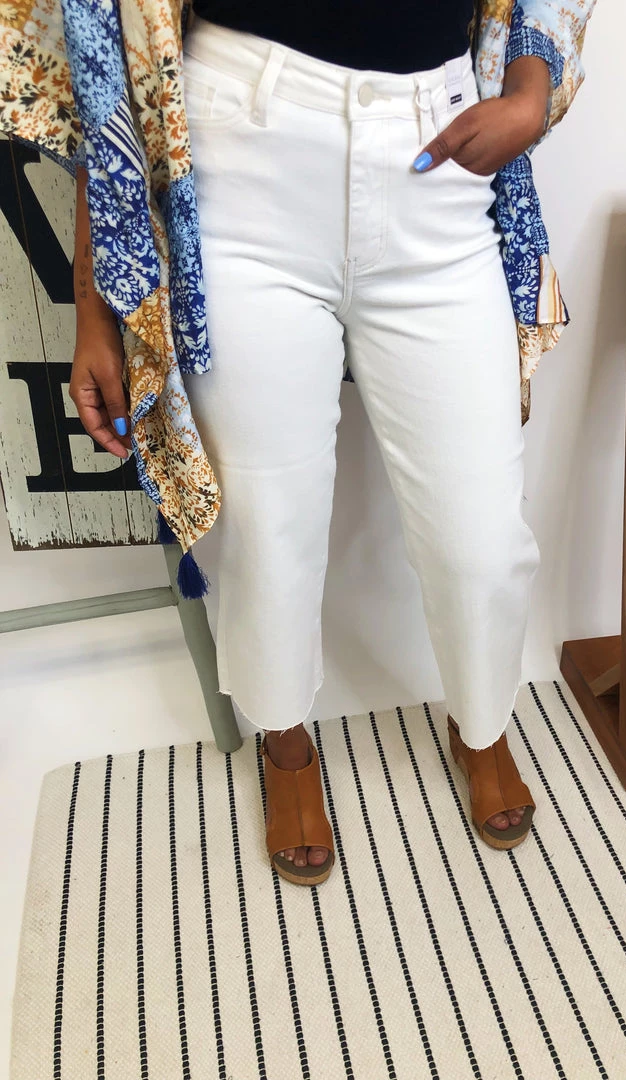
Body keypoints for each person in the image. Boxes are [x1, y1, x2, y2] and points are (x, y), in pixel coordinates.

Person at [1, 0, 595, 887]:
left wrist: (531, 92)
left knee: (480, 538)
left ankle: (482, 719)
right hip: (243, 157)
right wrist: (95, 305)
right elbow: (99, 37)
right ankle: (284, 740)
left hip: (438, 149)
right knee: (266, 529)